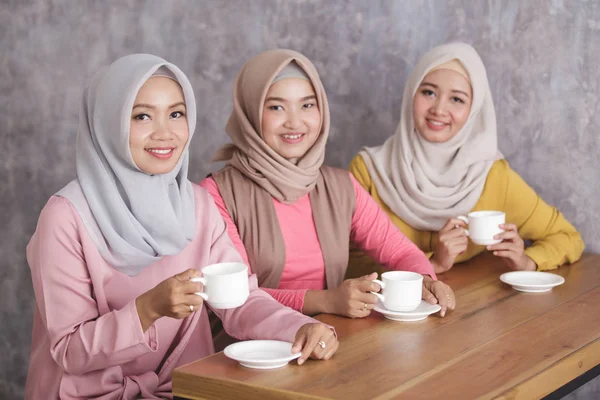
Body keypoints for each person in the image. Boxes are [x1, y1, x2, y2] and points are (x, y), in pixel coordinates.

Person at [25, 54, 337, 400]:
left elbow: (241, 301)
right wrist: (147, 310)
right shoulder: (65, 216)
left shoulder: (197, 204)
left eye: (176, 114)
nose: (165, 133)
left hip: (185, 390)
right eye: (142, 115)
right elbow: (70, 349)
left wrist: (301, 326)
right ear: (108, 123)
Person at [200, 49, 455, 324]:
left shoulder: (340, 186)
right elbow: (236, 297)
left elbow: (399, 250)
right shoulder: (215, 195)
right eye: (276, 107)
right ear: (249, 113)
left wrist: (426, 280)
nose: (295, 122)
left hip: (327, 337)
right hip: (245, 349)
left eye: (307, 105)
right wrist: (327, 300)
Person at [348, 42, 584, 276]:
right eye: (428, 92)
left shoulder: (492, 176)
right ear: (412, 93)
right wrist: (432, 264)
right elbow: (345, 260)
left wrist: (528, 262)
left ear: (474, 110)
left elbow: (568, 238)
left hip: (475, 305)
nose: (439, 109)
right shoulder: (369, 171)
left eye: (457, 99)